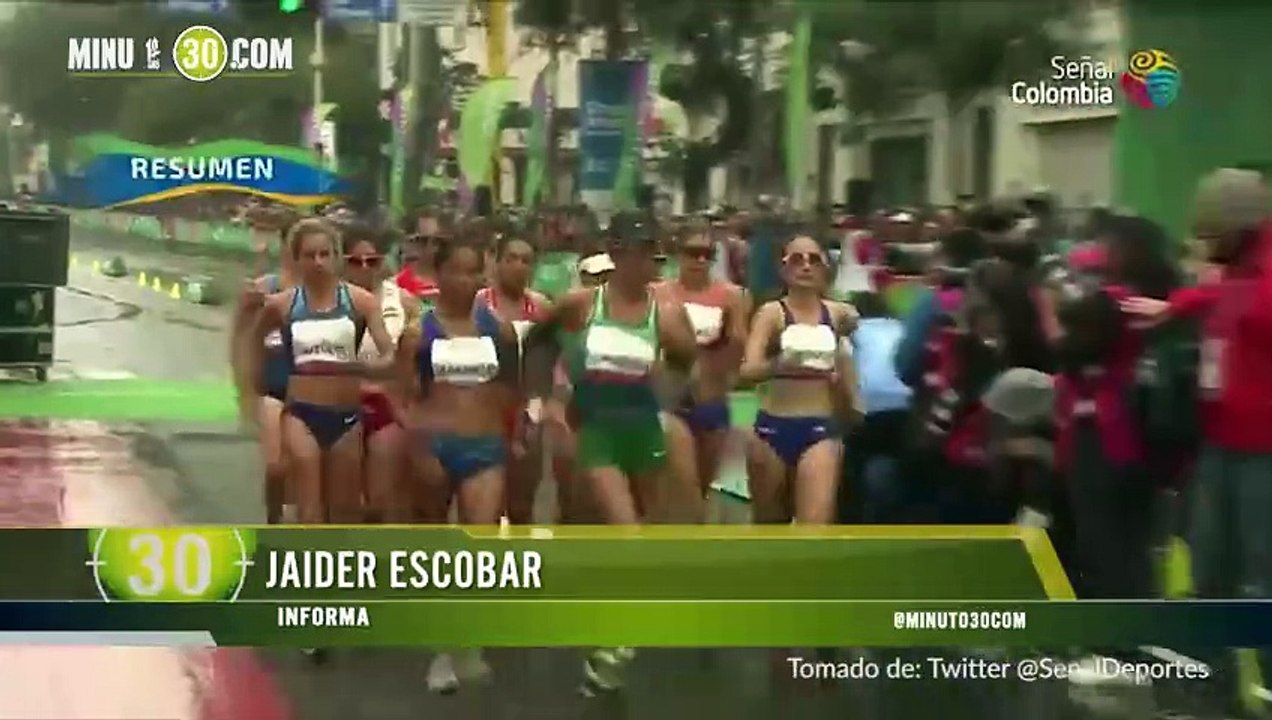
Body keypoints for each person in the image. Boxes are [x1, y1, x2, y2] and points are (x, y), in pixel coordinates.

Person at [524, 212, 697, 694]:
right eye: (639, 252)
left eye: (653, 253)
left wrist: (669, 394)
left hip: (641, 429)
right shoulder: (583, 304)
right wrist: (541, 403)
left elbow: (685, 359)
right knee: (629, 535)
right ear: (616, 252)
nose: (648, 262)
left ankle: (604, 638)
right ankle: (617, 644)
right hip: (596, 430)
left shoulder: (665, 312)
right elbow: (538, 343)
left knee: (640, 539)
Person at [1120, 169, 1272, 707]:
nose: (1206, 247)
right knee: (1210, 568)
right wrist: (1175, 307)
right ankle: (1213, 683)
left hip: (1263, 452)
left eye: (1212, 236)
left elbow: (1247, 301)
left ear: (1241, 226)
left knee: (1262, 571)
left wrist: (1200, 299)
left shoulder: (1258, 278)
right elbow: (1218, 294)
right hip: (1221, 441)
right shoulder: (1236, 274)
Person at [395, 234, 521, 692]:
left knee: (477, 542)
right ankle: (440, 649)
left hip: (484, 448)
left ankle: (463, 640)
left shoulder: (499, 331)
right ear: (438, 272)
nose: (465, 279)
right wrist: (418, 448)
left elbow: (512, 390)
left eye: (473, 271)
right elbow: (403, 399)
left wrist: (514, 438)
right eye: (456, 270)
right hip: (435, 444)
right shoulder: (417, 333)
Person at [235, 218, 398, 526]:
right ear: (296, 260)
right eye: (310, 255)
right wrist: (256, 381)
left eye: (325, 254)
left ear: (336, 257)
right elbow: (254, 338)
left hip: (347, 415)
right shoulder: (282, 305)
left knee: (342, 510)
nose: (318, 262)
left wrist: (367, 367)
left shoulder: (360, 301)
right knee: (310, 506)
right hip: (301, 413)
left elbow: (389, 353)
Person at [740, 233, 861, 525]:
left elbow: (853, 396)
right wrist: (780, 364)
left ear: (825, 270)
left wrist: (842, 389)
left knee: (815, 527)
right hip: (773, 428)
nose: (806, 266)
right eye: (797, 259)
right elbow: (748, 370)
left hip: (819, 428)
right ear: (783, 269)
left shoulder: (837, 314)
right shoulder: (772, 314)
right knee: (770, 525)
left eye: (814, 260)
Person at [661, 220, 749, 502]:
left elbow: (739, 349)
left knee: (702, 488)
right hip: (667, 400)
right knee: (672, 485)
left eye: (707, 254)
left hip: (711, 400)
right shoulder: (658, 293)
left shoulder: (732, 296)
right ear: (678, 253)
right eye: (692, 252)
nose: (700, 260)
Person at [343, 223, 420, 523]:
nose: (364, 268)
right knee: (342, 502)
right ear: (342, 261)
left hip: (384, 404)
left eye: (372, 261)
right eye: (355, 261)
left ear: (382, 262)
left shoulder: (404, 303)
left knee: (378, 504)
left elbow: (411, 360)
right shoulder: (322, 298)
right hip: (337, 403)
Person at [477, 233, 551, 525]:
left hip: (527, 407)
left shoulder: (543, 308)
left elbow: (549, 365)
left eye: (526, 260)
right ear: (496, 262)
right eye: (511, 259)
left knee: (522, 505)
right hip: (486, 410)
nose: (518, 266)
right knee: (488, 504)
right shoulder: (477, 304)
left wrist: (538, 410)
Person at [232, 209, 300, 524]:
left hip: (315, 392)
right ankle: (274, 518)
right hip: (274, 389)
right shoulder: (263, 289)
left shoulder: (336, 292)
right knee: (276, 467)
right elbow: (240, 339)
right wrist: (245, 390)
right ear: (285, 245)